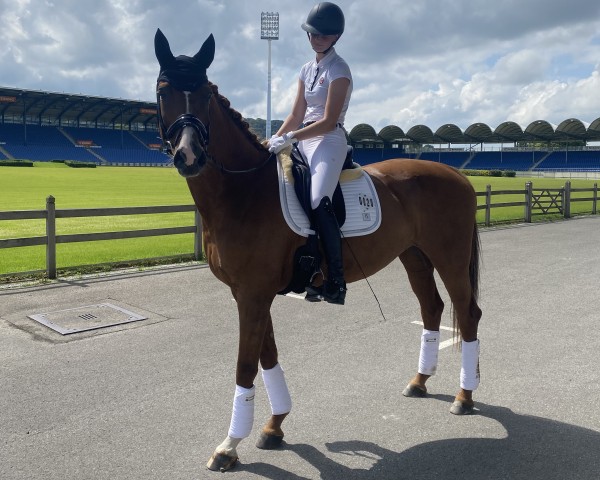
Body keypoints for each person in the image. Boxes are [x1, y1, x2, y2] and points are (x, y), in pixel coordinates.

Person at [268, 2, 352, 305]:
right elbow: (295, 114)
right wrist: (274, 139)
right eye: (314, 33)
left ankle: (336, 279)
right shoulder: (306, 69)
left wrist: (291, 136)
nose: (317, 39)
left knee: (318, 200)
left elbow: (328, 120)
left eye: (324, 35)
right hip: (304, 138)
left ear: (335, 37)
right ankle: (307, 267)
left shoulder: (339, 69)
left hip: (329, 140)